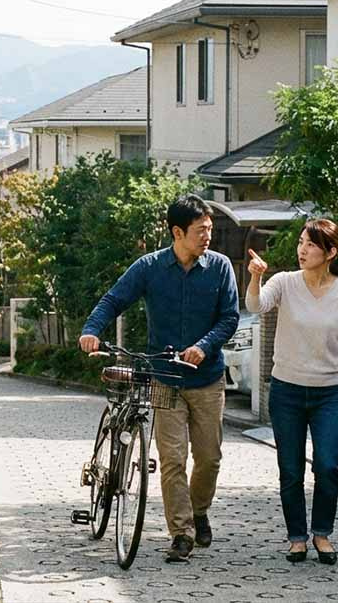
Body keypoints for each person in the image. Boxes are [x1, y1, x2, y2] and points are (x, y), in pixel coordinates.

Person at [79, 195, 240, 563]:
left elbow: (229, 318)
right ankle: (181, 533)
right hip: (165, 378)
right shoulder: (149, 267)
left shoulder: (220, 267)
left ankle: (199, 510)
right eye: (201, 231)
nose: (207, 238)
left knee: (209, 458)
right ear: (177, 232)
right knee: (171, 459)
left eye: (209, 231)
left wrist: (204, 345)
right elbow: (113, 299)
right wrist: (91, 330)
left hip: (207, 377)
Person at [244, 218, 338, 566]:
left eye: (311, 245)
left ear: (331, 252)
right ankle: (297, 537)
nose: (302, 249)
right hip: (287, 391)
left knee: (327, 466)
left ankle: (322, 534)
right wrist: (255, 276)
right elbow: (256, 306)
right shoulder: (284, 283)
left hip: (329, 393)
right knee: (291, 469)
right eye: (301, 242)